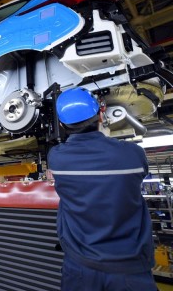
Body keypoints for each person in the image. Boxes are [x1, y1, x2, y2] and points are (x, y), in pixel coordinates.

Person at [47, 88, 157, 291]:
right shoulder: (133, 154)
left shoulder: (57, 158)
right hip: (130, 269)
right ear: (100, 115)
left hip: (80, 268)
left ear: (62, 125)